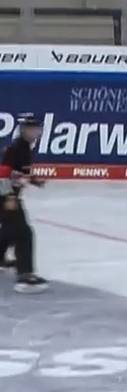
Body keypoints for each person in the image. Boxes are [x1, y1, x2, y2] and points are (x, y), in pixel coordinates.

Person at [0, 112, 49, 293]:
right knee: (23, 233)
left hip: (6, 195)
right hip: (5, 196)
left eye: (38, 128)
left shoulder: (25, 147)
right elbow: (3, 174)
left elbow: (17, 173)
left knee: (8, 229)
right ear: (24, 130)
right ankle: (25, 275)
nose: (37, 131)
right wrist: (9, 198)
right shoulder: (16, 148)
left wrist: (35, 181)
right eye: (33, 128)